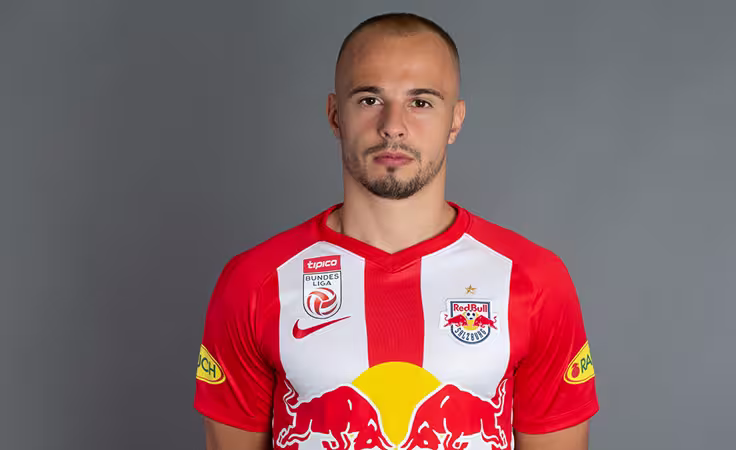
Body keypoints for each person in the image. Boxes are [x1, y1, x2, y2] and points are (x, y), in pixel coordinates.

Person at [195, 12, 598, 450]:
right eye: (370, 99)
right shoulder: (253, 283)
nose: (392, 125)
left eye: (420, 102)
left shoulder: (533, 282)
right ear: (335, 115)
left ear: (455, 120)